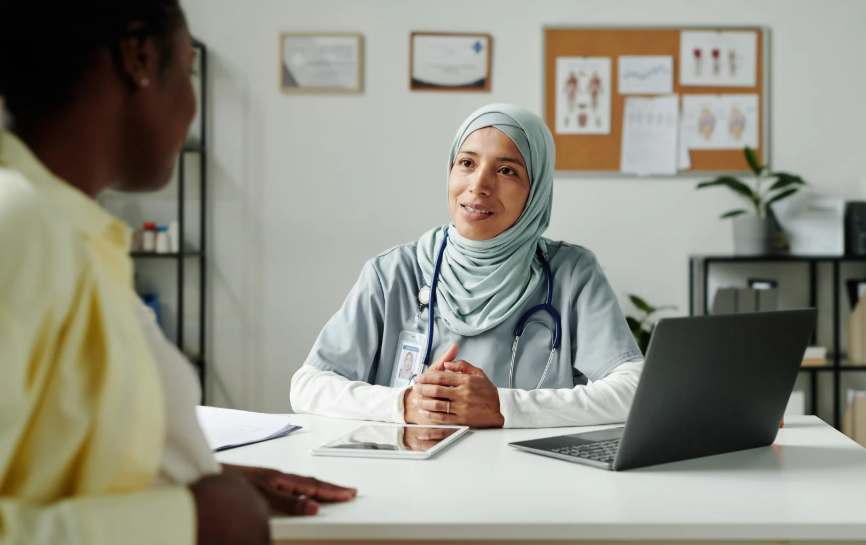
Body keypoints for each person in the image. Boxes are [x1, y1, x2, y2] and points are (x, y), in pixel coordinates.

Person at [0, 2, 354, 544]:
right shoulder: (17, 224)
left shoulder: (76, 233)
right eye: (188, 71)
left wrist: (193, 479)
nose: (191, 105)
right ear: (139, 58)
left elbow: (47, 457)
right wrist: (187, 520)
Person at [291, 103, 644, 429]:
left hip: (532, 482)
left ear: (535, 191)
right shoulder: (393, 273)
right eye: (467, 163)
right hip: (410, 478)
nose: (479, 186)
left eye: (506, 170)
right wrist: (405, 404)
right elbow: (308, 386)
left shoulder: (571, 273)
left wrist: (504, 407)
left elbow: (633, 391)